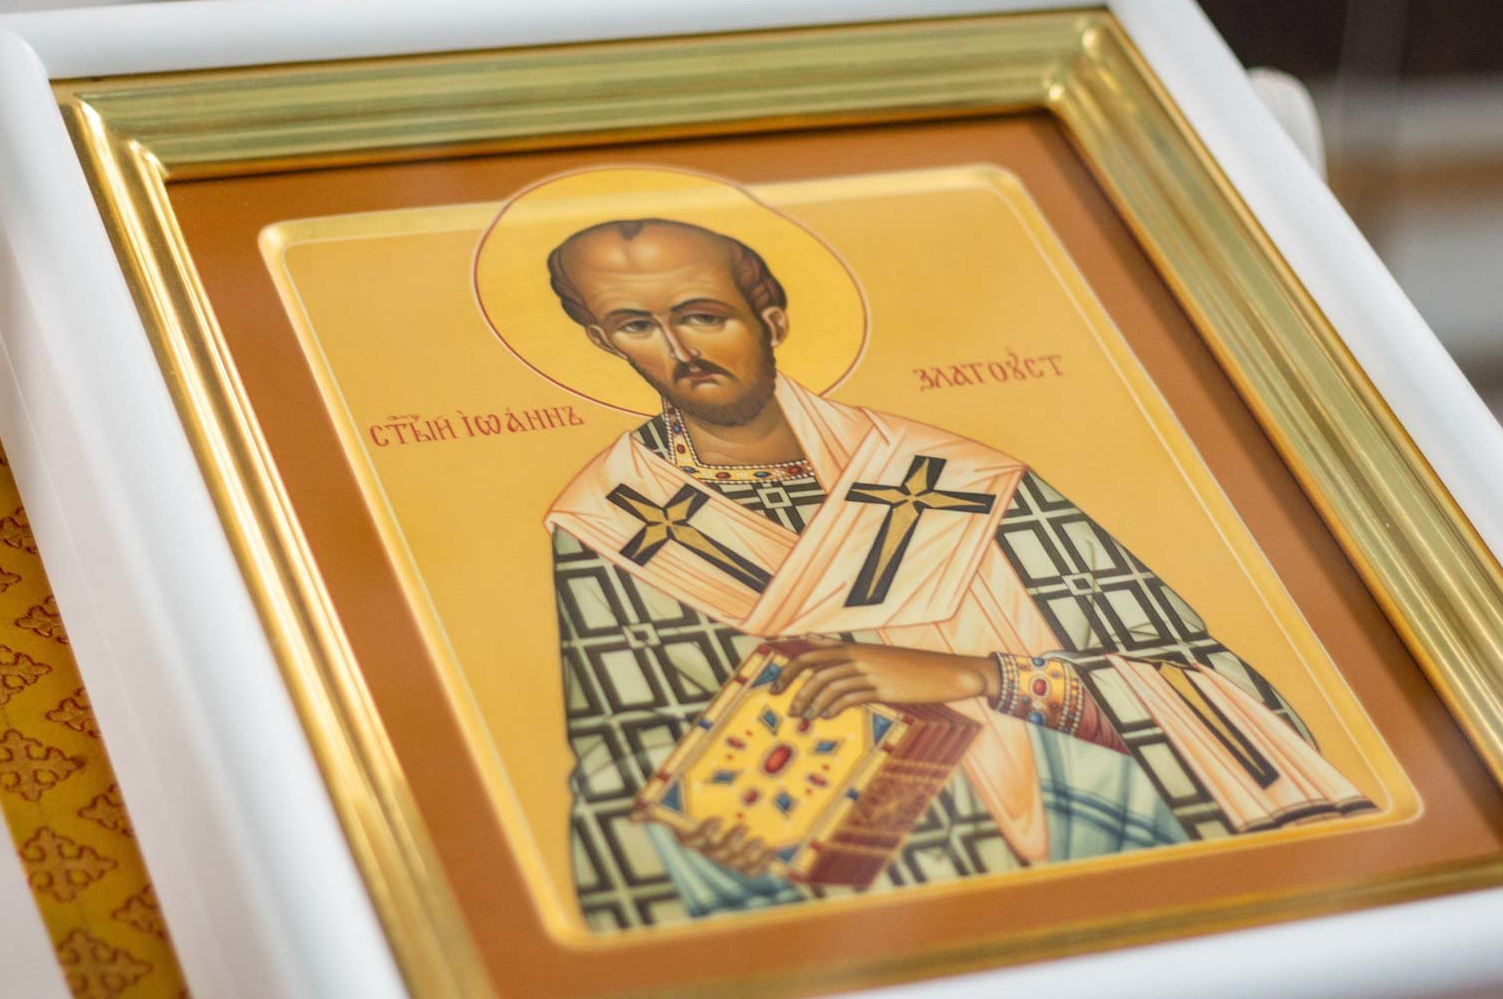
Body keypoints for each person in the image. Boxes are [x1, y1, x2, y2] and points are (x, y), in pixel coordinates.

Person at [542, 215, 1369, 932]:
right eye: (636, 326)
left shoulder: (958, 478)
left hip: (1097, 859)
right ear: (602, 342)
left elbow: (1214, 690)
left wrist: (979, 676)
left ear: (772, 317)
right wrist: (697, 824)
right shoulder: (612, 519)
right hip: (849, 918)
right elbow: (620, 751)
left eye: (703, 315)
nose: (682, 352)